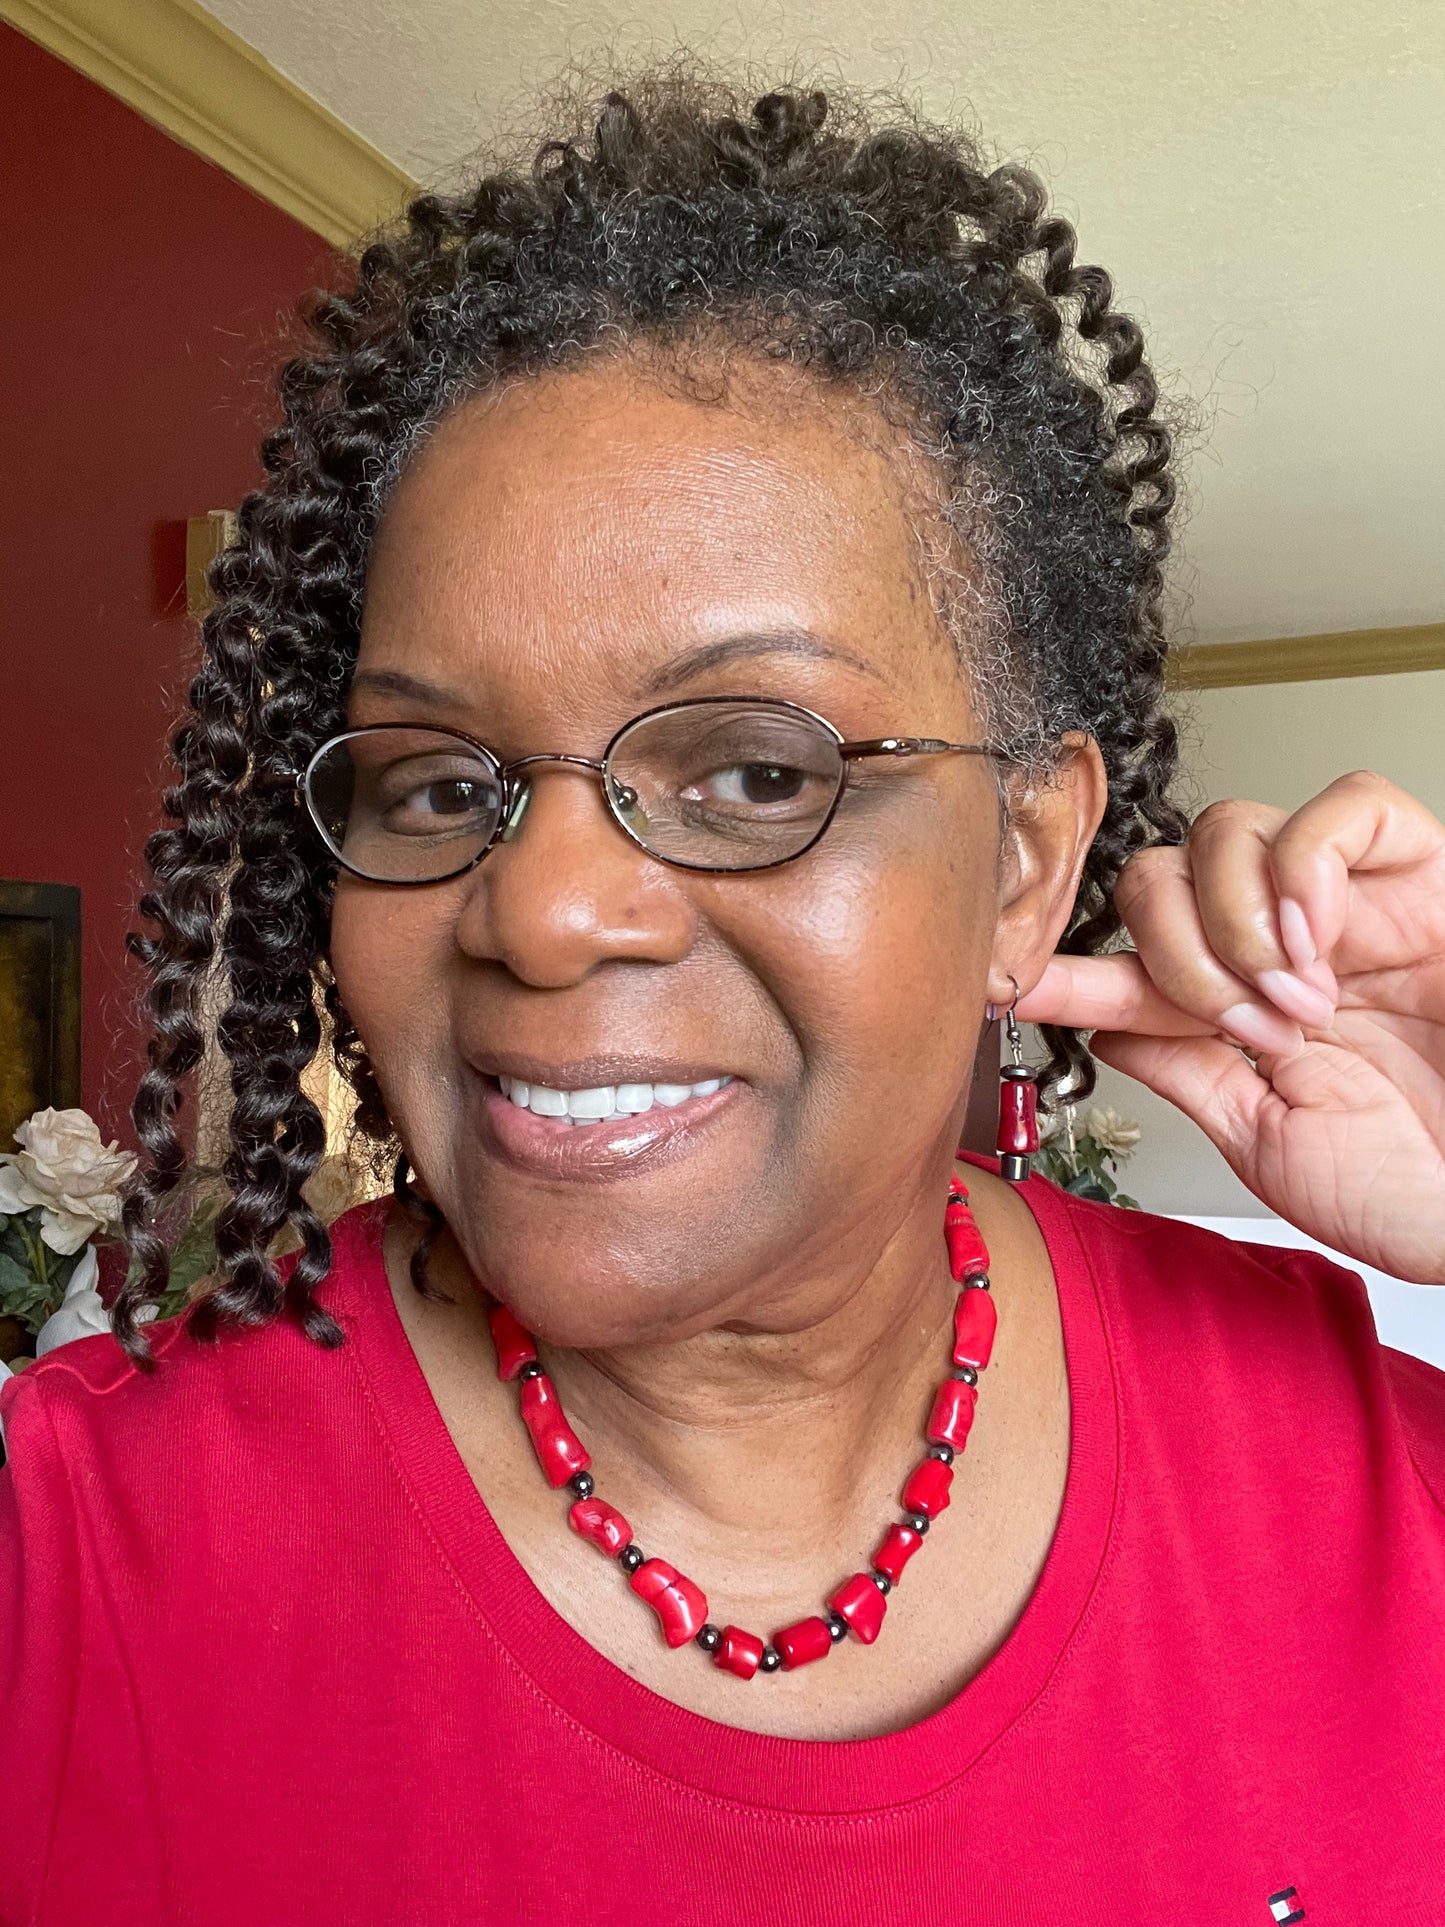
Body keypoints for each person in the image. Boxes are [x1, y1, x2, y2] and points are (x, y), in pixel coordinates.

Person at [2, 71, 1442, 1927]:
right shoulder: (75, 1571)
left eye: (754, 772)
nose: (545, 911)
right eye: (439, 785)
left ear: (1023, 856)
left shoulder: (1366, 1480)